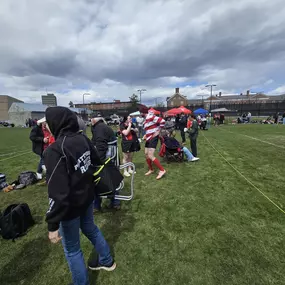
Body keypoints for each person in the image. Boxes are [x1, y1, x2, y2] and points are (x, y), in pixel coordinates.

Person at [44, 106, 116, 285]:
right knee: (90, 228)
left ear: (56, 123)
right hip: (87, 197)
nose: (46, 125)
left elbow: (58, 193)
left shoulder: (55, 150)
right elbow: (96, 161)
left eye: (47, 122)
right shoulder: (82, 138)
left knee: (72, 249)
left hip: (72, 206)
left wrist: (52, 224)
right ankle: (107, 260)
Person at [91, 116, 120, 211]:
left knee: (96, 181)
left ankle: (96, 205)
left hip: (106, 160)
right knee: (113, 180)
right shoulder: (103, 127)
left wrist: (97, 161)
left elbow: (100, 146)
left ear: (94, 121)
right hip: (112, 158)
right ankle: (115, 203)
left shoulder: (99, 128)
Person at [144, 110, 166, 180]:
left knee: (150, 155)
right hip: (148, 138)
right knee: (146, 154)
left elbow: (162, 121)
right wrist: (146, 135)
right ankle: (151, 169)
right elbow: (149, 128)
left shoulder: (151, 116)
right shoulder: (146, 119)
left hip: (153, 138)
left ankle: (162, 170)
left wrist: (158, 131)